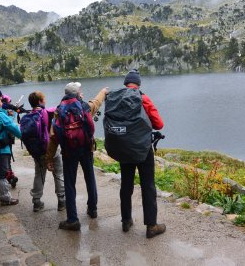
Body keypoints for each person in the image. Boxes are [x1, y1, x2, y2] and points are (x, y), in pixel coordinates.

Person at [46, 82, 108, 231]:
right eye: (80, 90)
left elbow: (53, 137)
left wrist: (49, 158)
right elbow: (97, 102)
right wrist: (103, 92)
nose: (82, 92)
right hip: (86, 149)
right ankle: (92, 209)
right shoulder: (84, 107)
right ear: (77, 93)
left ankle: (72, 219)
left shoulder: (59, 110)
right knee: (90, 178)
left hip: (68, 152)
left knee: (69, 184)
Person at [118, 69, 166, 238]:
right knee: (148, 186)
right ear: (138, 84)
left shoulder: (117, 98)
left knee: (126, 185)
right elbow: (159, 124)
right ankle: (151, 226)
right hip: (143, 149)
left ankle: (126, 220)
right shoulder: (143, 98)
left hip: (124, 148)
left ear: (126, 84)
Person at [22, 91, 65, 212]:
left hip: (37, 152)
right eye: (44, 99)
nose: (45, 101)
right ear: (40, 101)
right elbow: (59, 107)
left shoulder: (29, 116)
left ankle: (36, 202)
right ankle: (62, 201)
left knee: (39, 175)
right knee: (58, 174)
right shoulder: (46, 112)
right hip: (51, 150)